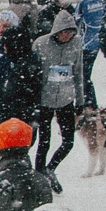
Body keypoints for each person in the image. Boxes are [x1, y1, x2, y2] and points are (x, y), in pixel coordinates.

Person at [30, 9, 88, 177]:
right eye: (63, 33)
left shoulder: (76, 44)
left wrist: (80, 99)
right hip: (44, 99)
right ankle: (39, 173)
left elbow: (78, 73)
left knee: (68, 142)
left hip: (65, 98)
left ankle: (50, 169)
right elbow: (32, 72)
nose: (66, 36)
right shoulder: (41, 44)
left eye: (70, 33)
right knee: (44, 141)